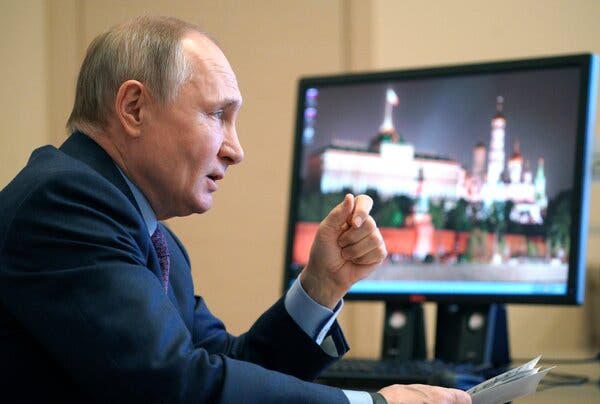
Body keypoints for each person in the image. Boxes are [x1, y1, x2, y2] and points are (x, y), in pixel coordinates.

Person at [0, 16, 471, 404]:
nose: (236, 149)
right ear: (134, 108)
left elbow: (226, 365)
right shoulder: (64, 203)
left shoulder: (153, 237)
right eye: (216, 115)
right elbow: (175, 386)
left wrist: (320, 286)